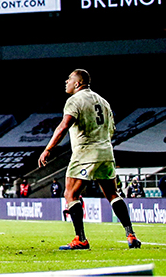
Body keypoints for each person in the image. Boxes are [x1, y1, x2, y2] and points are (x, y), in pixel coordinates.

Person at [39, 69, 141, 250]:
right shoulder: (103, 101)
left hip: (86, 152)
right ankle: (131, 235)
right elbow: (112, 130)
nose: (66, 81)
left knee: (70, 194)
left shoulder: (74, 101)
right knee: (112, 195)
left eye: (69, 79)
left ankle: (81, 239)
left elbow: (64, 126)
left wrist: (48, 149)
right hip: (106, 151)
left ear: (78, 83)